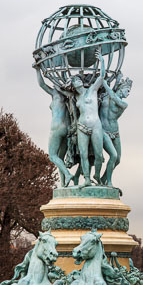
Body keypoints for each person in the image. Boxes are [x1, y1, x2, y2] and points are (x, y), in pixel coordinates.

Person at [63, 48, 106, 187]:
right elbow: (60, 89)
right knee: (83, 154)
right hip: (82, 127)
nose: (77, 82)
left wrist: (102, 61)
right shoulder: (76, 97)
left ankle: (97, 176)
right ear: (73, 86)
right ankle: (86, 179)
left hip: (95, 125)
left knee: (99, 156)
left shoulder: (92, 90)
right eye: (74, 82)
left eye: (78, 80)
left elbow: (101, 77)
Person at [36, 68, 74, 187]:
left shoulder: (55, 94)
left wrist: (37, 70)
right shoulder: (68, 95)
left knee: (53, 156)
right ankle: (63, 184)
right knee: (60, 158)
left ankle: (67, 175)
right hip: (67, 128)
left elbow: (42, 84)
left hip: (56, 128)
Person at [100, 72, 132, 187]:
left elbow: (113, 96)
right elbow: (111, 93)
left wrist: (103, 81)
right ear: (121, 89)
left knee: (117, 159)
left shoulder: (123, 104)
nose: (128, 94)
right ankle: (109, 181)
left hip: (115, 132)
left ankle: (102, 179)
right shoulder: (104, 96)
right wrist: (115, 81)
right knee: (113, 156)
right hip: (103, 131)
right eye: (127, 90)